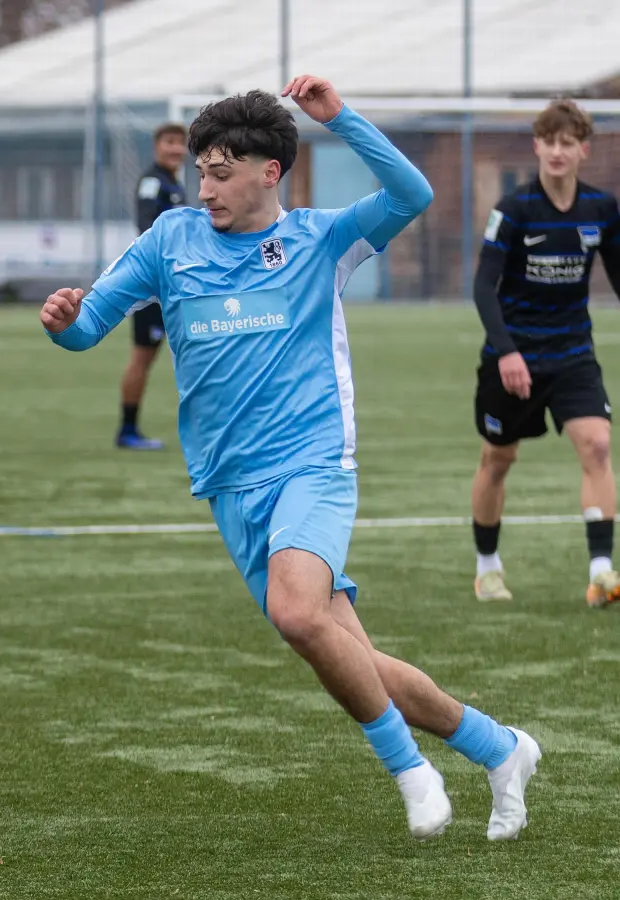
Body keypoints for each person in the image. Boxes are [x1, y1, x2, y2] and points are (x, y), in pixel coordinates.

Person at [39, 76, 540, 842]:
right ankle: (500, 749)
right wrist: (64, 321)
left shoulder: (321, 239)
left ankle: (412, 771)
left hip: (312, 463)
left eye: (220, 171)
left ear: (268, 173)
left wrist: (339, 118)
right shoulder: (171, 240)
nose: (204, 186)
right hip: (227, 483)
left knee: (297, 612)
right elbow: (87, 330)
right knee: (348, 651)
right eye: (200, 171)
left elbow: (411, 192)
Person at [467, 97, 620, 606]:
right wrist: (507, 352)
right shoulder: (513, 212)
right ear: (537, 147)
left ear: (583, 150)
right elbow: (484, 288)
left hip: (573, 352)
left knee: (597, 445)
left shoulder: (601, 210)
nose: (557, 151)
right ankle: (487, 566)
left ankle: (601, 573)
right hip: (513, 357)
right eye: (548, 142)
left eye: (567, 143)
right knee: (498, 458)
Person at [117, 122, 188, 451]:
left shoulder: (174, 183)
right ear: (157, 146)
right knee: (142, 357)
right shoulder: (152, 182)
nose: (175, 149)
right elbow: (148, 229)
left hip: (171, 285)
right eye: (169, 142)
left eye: (179, 143)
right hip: (153, 285)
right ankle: (127, 430)